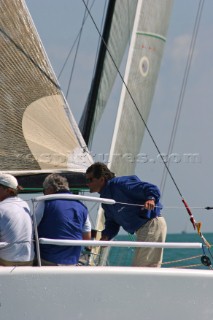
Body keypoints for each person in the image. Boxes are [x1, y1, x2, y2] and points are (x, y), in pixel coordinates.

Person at [86, 162, 167, 267]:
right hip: (144, 229)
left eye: (90, 180)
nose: (87, 183)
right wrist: (106, 236)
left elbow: (149, 187)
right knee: (143, 267)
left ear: (101, 179)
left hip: (151, 224)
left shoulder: (119, 184)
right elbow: (112, 222)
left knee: (142, 268)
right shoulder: (106, 201)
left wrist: (151, 199)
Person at [35, 173, 91, 266]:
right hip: (72, 261)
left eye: (44, 191)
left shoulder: (45, 202)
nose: (44, 193)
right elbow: (87, 238)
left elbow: (30, 229)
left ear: (49, 189)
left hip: (47, 260)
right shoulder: (82, 207)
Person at [0, 173, 34, 266]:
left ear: (8, 190)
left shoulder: (1, 208)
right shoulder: (25, 205)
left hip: (7, 261)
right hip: (28, 259)